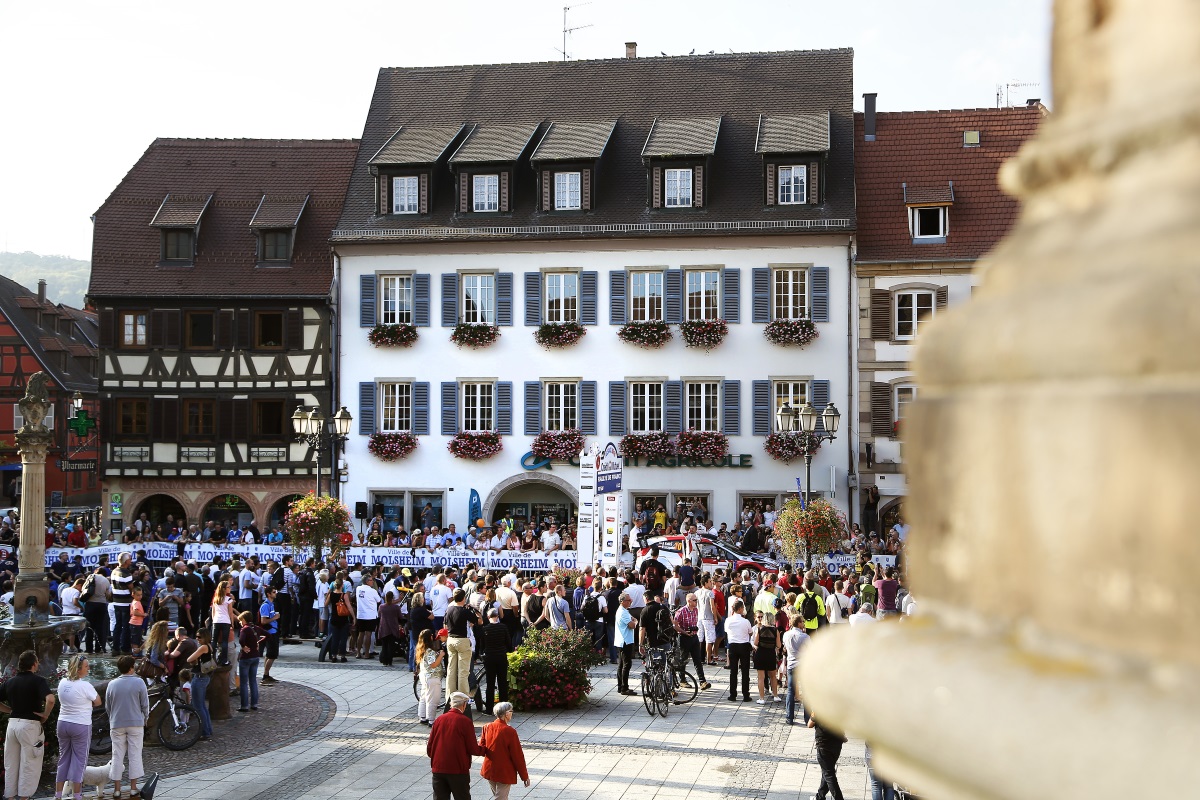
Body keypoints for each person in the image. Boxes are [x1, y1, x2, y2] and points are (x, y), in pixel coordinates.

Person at [0, 650, 54, 800]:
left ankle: (10, 797)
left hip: (12, 725)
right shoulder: (38, 681)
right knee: (29, 764)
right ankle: (24, 798)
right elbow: (50, 699)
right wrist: (45, 715)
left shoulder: (10, 682)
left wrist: (9, 710)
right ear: (34, 664)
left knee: (11, 764)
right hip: (29, 726)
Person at [427, 691, 489, 800]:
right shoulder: (465, 722)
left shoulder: (439, 720)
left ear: (451, 704)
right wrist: (485, 750)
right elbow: (472, 748)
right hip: (457, 769)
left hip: (438, 768)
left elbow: (430, 747)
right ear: (464, 705)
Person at [55, 654, 101, 800]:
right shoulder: (85, 685)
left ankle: (57, 794)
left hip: (62, 723)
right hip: (80, 724)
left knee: (63, 759)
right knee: (79, 761)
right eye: (86, 666)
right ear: (79, 669)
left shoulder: (62, 682)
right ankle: (77, 795)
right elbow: (98, 701)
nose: (89, 669)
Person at [106, 655, 150, 798]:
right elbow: (145, 704)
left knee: (117, 755)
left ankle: (117, 789)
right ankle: (133, 788)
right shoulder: (139, 682)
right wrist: (145, 718)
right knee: (135, 755)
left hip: (117, 723)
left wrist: (112, 719)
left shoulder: (112, 684)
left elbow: (108, 706)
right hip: (135, 723)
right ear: (131, 667)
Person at [479, 702, 530, 799]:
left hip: (489, 769)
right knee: (501, 798)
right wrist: (524, 776)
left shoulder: (487, 727)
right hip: (504, 772)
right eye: (511, 711)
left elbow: (481, 748)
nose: (512, 713)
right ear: (506, 714)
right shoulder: (510, 731)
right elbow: (517, 756)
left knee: (499, 797)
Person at [443, 589, 478, 705]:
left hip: (451, 639)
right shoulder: (464, 611)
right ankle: (463, 698)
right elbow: (476, 619)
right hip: (462, 640)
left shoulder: (449, 609)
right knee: (463, 671)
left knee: (451, 670)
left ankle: (449, 695)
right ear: (464, 598)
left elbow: (445, 624)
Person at [672, 593, 711, 690]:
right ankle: (682, 680)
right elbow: (675, 625)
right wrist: (684, 632)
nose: (696, 602)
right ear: (689, 601)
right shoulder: (681, 611)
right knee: (683, 660)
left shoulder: (696, 610)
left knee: (697, 660)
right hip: (684, 638)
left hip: (694, 637)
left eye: (696, 600)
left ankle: (702, 681)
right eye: (694, 600)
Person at [478, 608, 512, 714]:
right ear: (497, 616)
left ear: (488, 617)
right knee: (502, 683)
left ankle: (489, 708)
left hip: (490, 657)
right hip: (501, 656)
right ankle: (504, 708)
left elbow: (482, 646)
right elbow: (508, 643)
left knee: (490, 683)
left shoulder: (485, 629)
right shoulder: (503, 627)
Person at [809, 714, 848, 800]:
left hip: (823, 745)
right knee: (827, 771)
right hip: (837, 744)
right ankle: (820, 796)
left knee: (829, 774)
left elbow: (809, 725)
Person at [185, 628, 215, 740]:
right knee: (202, 705)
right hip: (205, 677)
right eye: (196, 636)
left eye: (199, 637)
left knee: (198, 706)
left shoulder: (203, 647)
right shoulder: (210, 646)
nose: (197, 639)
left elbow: (189, 659)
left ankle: (205, 732)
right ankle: (208, 729)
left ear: (205, 637)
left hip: (199, 677)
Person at [781, 611, 810, 724]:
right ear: (799, 623)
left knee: (790, 691)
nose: (803, 623)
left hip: (791, 665)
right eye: (802, 622)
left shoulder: (786, 635)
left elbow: (785, 648)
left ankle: (789, 717)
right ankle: (807, 718)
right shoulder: (804, 636)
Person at [417, 628, 447, 725]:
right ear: (429, 637)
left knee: (424, 697)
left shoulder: (421, 649)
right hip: (432, 677)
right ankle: (431, 720)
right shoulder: (429, 651)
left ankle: (422, 716)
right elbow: (433, 664)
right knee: (433, 699)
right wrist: (441, 655)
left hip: (424, 676)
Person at [724, 599, 753, 702]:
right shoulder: (746, 621)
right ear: (740, 609)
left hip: (732, 646)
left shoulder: (728, 620)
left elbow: (727, 631)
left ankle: (733, 694)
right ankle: (746, 695)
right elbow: (750, 632)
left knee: (733, 671)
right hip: (744, 646)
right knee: (745, 671)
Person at [236, 610, 265, 712]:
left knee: (244, 683)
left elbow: (241, 640)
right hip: (255, 657)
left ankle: (244, 705)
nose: (240, 622)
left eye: (240, 620)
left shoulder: (245, 629)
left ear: (244, 619)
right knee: (253, 681)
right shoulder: (255, 628)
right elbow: (267, 635)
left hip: (246, 658)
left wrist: (243, 647)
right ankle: (254, 704)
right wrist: (257, 643)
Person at [751, 610, 780, 704]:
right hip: (771, 654)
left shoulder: (759, 629)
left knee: (761, 677)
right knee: (773, 676)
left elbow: (755, 643)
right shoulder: (776, 630)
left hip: (760, 654)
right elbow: (779, 645)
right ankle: (775, 696)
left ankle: (762, 698)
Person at [614, 593, 637, 696]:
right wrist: (635, 622)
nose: (630, 601)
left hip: (623, 640)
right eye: (628, 600)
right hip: (625, 641)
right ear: (622, 601)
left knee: (622, 664)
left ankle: (621, 686)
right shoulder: (622, 612)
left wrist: (633, 620)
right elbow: (632, 625)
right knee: (626, 664)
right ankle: (624, 687)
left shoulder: (624, 611)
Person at [258, 586, 281, 682]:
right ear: (269, 594)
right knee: (272, 655)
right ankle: (265, 675)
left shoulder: (271, 604)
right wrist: (275, 618)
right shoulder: (266, 605)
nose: (276, 593)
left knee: (269, 655)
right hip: (270, 632)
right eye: (274, 592)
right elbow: (263, 621)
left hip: (274, 631)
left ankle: (266, 674)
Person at [377, 590, 404, 667]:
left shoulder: (381, 607)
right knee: (391, 645)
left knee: (384, 645)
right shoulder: (396, 607)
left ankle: (384, 660)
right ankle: (390, 660)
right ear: (393, 598)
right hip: (393, 628)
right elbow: (400, 617)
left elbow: (379, 616)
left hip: (384, 627)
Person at [210, 580, 234, 664]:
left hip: (216, 620)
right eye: (228, 587)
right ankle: (223, 660)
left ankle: (212, 658)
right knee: (224, 641)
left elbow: (213, 611)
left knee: (214, 640)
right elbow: (230, 612)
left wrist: (214, 620)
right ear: (224, 589)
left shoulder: (215, 599)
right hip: (225, 621)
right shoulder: (228, 599)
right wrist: (232, 623)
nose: (230, 588)